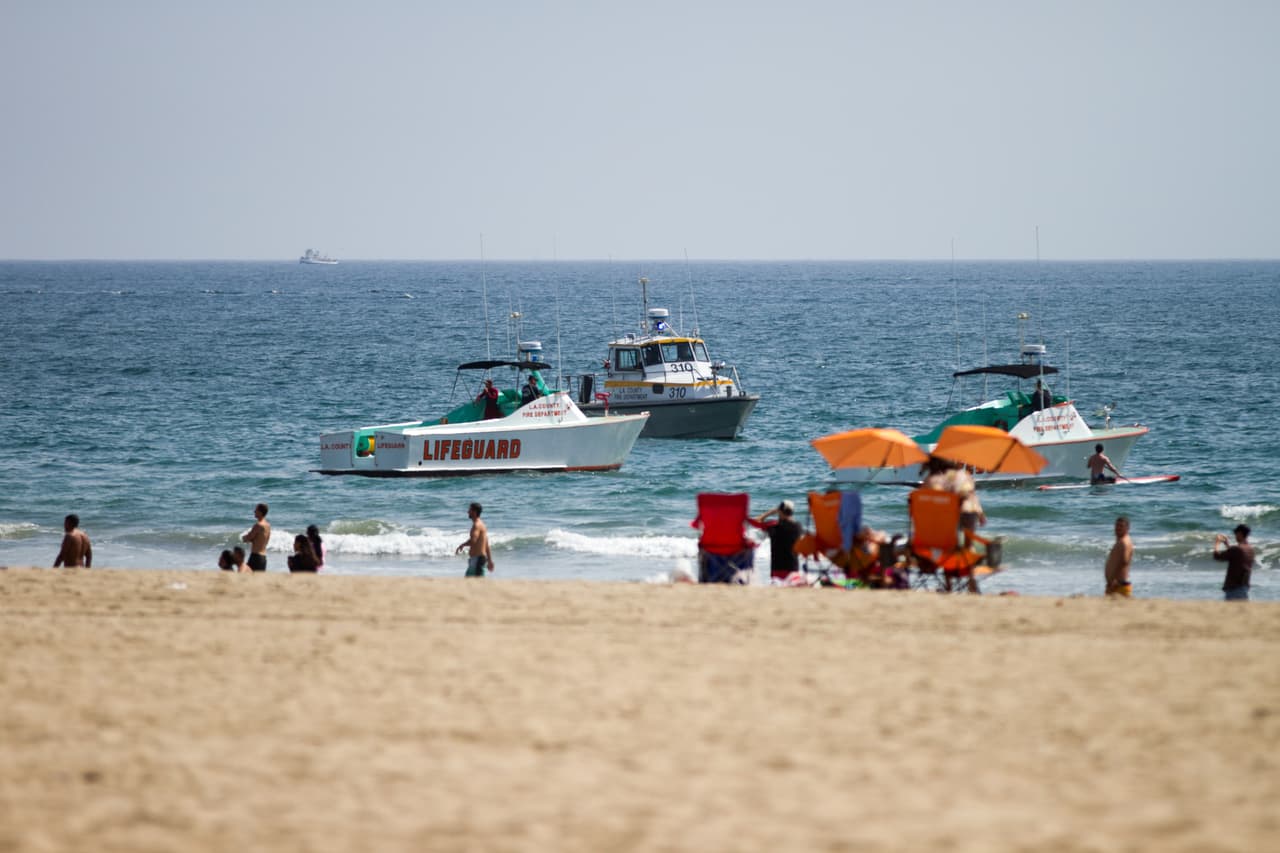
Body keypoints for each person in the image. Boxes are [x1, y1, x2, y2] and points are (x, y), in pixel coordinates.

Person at [748, 499, 803, 580]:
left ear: (779, 512)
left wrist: (769, 513)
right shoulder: (798, 527)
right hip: (794, 573)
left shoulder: (773, 526)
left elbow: (756, 522)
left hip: (777, 573)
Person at [1214, 524, 1254, 601]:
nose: (1235, 536)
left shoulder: (1236, 549)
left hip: (1234, 587)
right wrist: (1227, 545)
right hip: (1244, 586)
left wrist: (1217, 543)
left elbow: (1217, 556)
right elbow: (1236, 557)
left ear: (1239, 534)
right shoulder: (1250, 549)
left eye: (1236, 534)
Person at [455, 502, 494, 577]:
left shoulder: (476, 525)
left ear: (475, 512)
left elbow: (473, 540)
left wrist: (463, 545)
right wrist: (490, 561)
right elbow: (486, 545)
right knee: (471, 584)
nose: (468, 512)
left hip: (477, 560)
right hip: (478, 560)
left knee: (474, 585)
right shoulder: (482, 525)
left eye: (470, 510)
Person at [1104, 516, 1133, 597]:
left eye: (1121, 526)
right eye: (1116, 526)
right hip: (1117, 584)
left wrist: (1114, 580)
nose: (1118, 528)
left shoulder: (1124, 542)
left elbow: (1124, 561)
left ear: (1127, 528)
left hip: (1119, 585)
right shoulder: (1121, 541)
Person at [241, 503, 271, 572]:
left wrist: (243, 537)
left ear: (260, 512)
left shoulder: (258, 525)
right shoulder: (268, 526)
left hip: (255, 557)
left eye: (256, 510)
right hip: (263, 558)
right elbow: (266, 540)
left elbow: (247, 538)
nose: (254, 511)